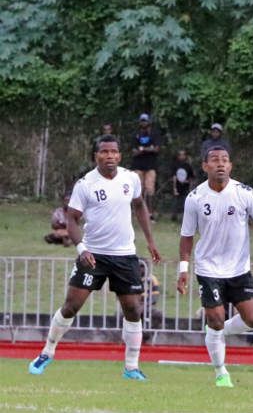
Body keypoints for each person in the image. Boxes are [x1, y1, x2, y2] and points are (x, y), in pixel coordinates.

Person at [29, 134, 161, 380]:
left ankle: (131, 367)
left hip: (124, 255)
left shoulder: (130, 178)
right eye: (104, 152)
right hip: (93, 255)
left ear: (119, 155)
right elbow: (72, 219)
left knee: (133, 310)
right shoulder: (85, 184)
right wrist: (82, 249)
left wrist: (151, 241)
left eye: (114, 151)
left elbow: (140, 205)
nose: (109, 156)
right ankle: (47, 352)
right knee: (71, 306)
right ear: (96, 156)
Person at [177, 145, 253, 388]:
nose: (220, 164)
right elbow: (187, 236)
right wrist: (183, 270)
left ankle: (215, 333)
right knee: (217, 318)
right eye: (214, 160)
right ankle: (221, 372)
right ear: (205, 166)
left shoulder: (244, 192)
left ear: (230, 166)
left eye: (225, 160)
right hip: (208, 270)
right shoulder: (195, 198)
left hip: (239, 270)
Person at [131, 113, 162, 220]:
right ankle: (138, 213)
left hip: (151, 166)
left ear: (149, 122)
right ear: (140, 122)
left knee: (150, 190)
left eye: (145, 121)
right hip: (138, 166)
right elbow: (134, 152)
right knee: (138, 190)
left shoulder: (154, 134)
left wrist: (142, 149)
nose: (143, 123)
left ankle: (150, 213)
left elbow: (157, 149)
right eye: (142, 121)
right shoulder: (136, 134)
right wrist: (149, 149)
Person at [171, 149, 195, 222]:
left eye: (183, 155)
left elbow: (192, 178)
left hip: (186, 188)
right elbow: (174, 177)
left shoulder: (188, 166)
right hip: (178, 188)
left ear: (185, 156)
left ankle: (184, 218)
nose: (181, 156)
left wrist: (188, 183)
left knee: (185, 203)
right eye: (180, 155)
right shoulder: (175, 165)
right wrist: (174, 188)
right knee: (176, 203)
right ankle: (174, 217)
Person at [139, 258, 163, 326]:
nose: (141, 269)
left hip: (148, 306)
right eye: (139, 266)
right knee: (120, 315)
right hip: (133, 306)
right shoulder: (131, 278)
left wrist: (145, 305)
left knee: (158, 314)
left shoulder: (152, 279)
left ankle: (153, 333)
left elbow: (154, 297)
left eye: (143, 266)